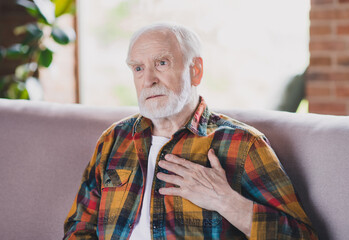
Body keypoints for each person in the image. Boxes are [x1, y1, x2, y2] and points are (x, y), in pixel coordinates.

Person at [64, 23, 317, 240]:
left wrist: (226, 201)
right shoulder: (114, 140)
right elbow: (79, 228)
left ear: (195, 71)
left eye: (161, 63)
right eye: (138, 68)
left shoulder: (242, 144)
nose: (148, 79)